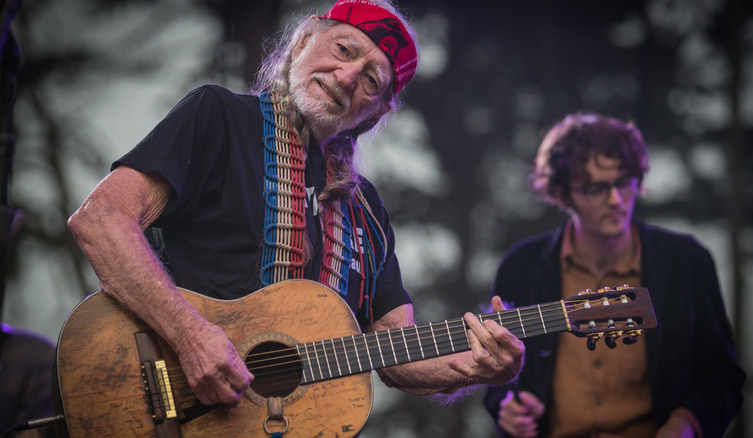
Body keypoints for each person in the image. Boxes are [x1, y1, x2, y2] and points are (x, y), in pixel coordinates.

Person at [67, 0, 524, 426]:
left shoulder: (367, 211)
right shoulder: (219, 117)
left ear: (376, 110)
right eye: (343, 49)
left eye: (370, 80)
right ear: (304, 40)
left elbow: (396, 352)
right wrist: (189, 336)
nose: (346, 76)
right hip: (173, 413)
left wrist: (476, 367)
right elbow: (102, 218)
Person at [483, 112, 745, 438]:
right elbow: (496, 372)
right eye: (595, 188)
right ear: (563, 194)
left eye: (623, 182)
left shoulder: (686, 261)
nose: (616, 200)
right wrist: (508, 407)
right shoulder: (521, 265)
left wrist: (685, 425)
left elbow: (722, 376)